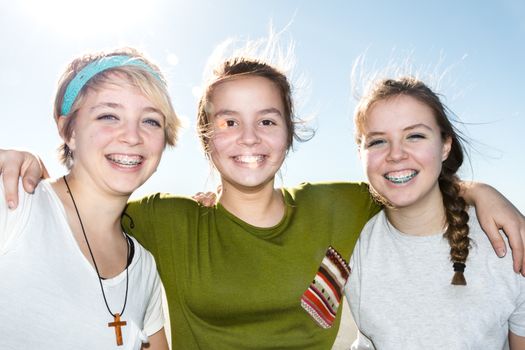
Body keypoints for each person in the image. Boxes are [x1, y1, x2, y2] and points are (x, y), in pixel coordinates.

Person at [2, 42, 525, 349]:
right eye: (229, 122)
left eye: (267, 120)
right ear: (206, 136)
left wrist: (479, 190)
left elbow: (408, 179)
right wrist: (25, 166)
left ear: (290, 131)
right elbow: (86, 202)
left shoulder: (339, 205)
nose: (249, 139)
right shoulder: (164, 221)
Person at [0, 47, 180, 349]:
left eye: (150, 121)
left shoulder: (144, 267)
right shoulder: (15, 205)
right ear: (68, 131)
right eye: (109, 116)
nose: (132, 136)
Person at [345, 76, 525, 349]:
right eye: (377, 141)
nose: (396, 154)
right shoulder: (349, 238)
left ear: (444, 146)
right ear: (360, 153)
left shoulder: (506, 243)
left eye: (415, 135)